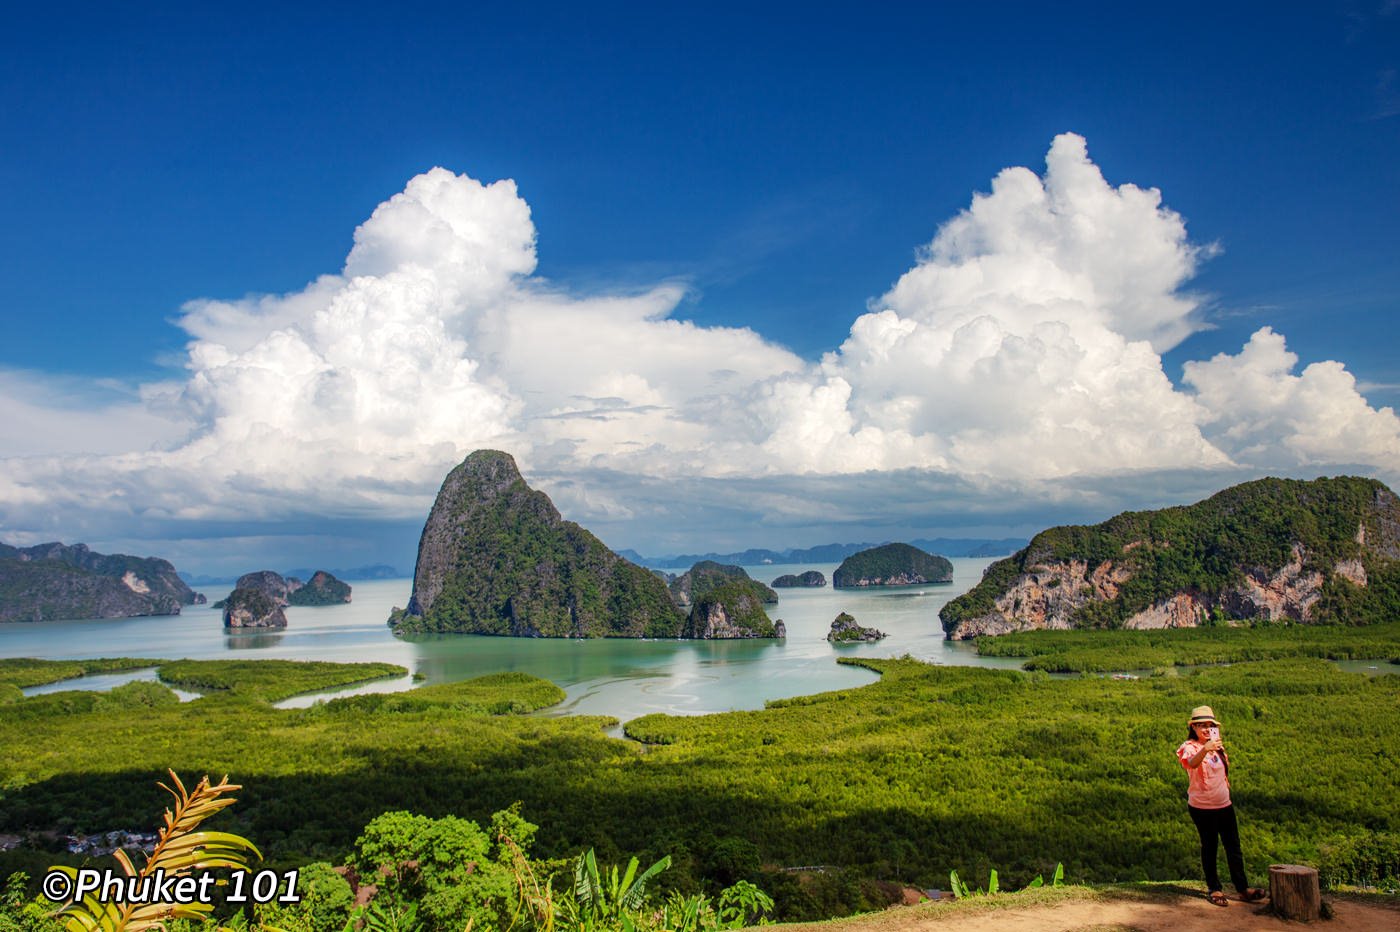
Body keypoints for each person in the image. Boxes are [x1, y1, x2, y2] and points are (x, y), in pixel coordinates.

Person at [1176, 705, 1267, 907]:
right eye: (1201, 726)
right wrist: (1205, 749)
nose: (1206, 729)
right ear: (1193, 728)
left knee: (1233, 847)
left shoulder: (1218, 747)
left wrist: (1212, 748)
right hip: (1202, 807)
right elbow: (1191, 763)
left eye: (1210, 725)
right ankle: (1214, 888)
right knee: (1210, 847)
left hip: (1224, 804)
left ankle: (1242, 888)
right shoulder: (1189, 746)